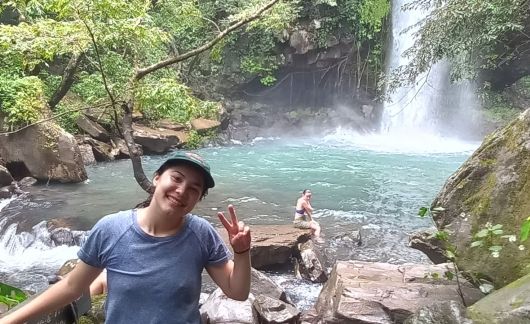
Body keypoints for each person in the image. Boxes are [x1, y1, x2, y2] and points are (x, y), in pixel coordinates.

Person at [0, 151, 251, 324]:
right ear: (156, 178)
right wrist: (12, 318)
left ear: (198, 199)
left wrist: (242, 252)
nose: (181, 191)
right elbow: (71, 287)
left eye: (194, 189)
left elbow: (237, 292)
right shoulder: (112, 228)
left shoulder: (201, 234)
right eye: (176, 178)